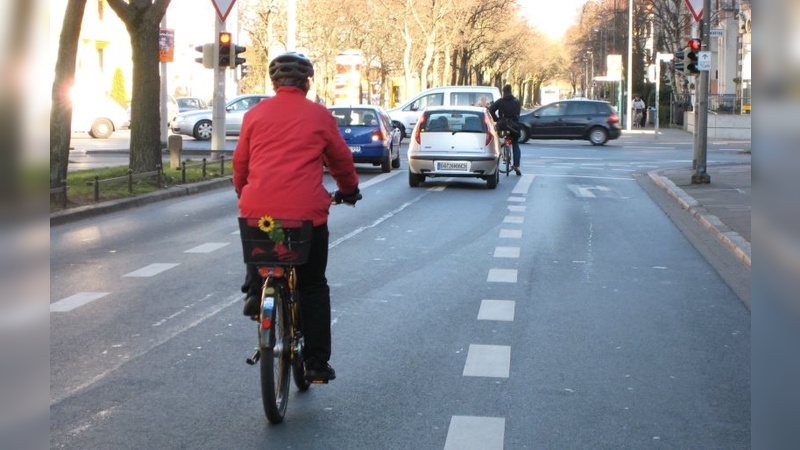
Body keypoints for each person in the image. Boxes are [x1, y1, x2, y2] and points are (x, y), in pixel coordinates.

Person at [233, 52, 361, 383]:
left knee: (264, 237)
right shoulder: (319, 116)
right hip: (306, 216)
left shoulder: (255, 114)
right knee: (313, 285)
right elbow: (341, 161)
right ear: (307, 83)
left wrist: (243, 192)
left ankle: (255, 288)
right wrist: (349, 191)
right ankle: (316, 362)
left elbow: (240, 165)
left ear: (274, 83)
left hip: (259, 211)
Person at [489, 84, 523, 175]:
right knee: (515, 144)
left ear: (503, 92)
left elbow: (491, 110)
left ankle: (496, 162)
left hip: (502, 126)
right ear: (511, 91)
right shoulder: (517, 101)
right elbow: (518, 115)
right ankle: (517, 166)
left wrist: (497, 119)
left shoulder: (500, 101)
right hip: (514, 127)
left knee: (498, 142)